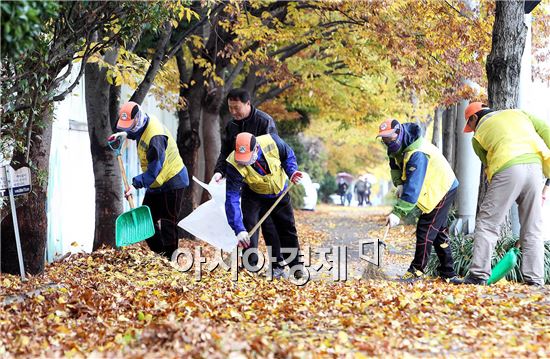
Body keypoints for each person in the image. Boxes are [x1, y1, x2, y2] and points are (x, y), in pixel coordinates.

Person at [452, 102, 549, 286]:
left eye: (470, 125)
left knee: (488, 222)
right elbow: (545, 129)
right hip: (535, 167)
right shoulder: (519, 113)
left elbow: (488, 167)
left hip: (507, 168)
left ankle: (478, 275)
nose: (471, 130)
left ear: (474, 118)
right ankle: (535, 279)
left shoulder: (478, 136)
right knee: (532, 226)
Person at [378, 119, 459, 282]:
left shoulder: (417, 154)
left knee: (426, 228)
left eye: (389, 137)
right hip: (433, 187)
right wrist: (399, 184)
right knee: (438, 233)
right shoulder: (395, 147)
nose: (387, 141)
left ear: (398, 133)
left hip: (442, 187)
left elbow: (413, 189)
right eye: (383, 138)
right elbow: (394, 166)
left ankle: (417, 270)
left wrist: (397, 213)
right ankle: (449, 273)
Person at [211, 88, 282, 265]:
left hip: (268, 184)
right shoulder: (231, 126)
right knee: (248, 222)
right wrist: (220, 171)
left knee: (270, 225)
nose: (233, 112)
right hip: (247, 183)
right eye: (230, 108)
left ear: (248, 104)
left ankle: (277, 264)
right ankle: (250, 262)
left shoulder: (264, 122)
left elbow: (274, 151)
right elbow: (226, 152)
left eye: (237, 108)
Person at [110, 101, 189, 258]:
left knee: (168, 222)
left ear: (137, 119)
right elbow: (135, 132)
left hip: (173, 180)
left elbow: (154, 171)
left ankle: (171, 260)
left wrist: (134, 185)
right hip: (156, 182)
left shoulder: (155, 137)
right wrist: (124, 134)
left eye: (130, 126)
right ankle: (161, 255)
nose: (129, 129)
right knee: (146, 221)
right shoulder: (142, 123)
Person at [225, 132, 303, 279]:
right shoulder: (234, 164)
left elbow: (288, 156)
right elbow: (232, 197)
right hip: (253, 195)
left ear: (256, 150)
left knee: (287, 229)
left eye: (247, 158)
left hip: (279, 192)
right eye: (241, 158)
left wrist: (291, 172)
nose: (244, 162)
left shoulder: (272, 142)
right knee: (249, 229)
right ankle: (249, 267)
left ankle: (295, 266)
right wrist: (238, 228)